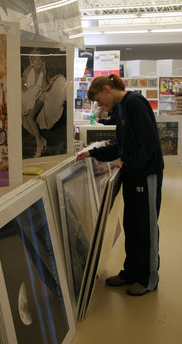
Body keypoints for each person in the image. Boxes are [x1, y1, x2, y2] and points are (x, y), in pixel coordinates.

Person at [77, 74, 164, 296]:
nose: (100, 106)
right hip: (132, 176)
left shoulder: (135, 103)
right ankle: (131, 272)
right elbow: (120, 146)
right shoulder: (122, 108)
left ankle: (148, 279)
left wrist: (126, 163)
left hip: (146, 176)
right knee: (132, 226)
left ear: (107, 88)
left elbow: (150, 145)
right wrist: (92, 153)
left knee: (146, 228)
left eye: (99, 100)